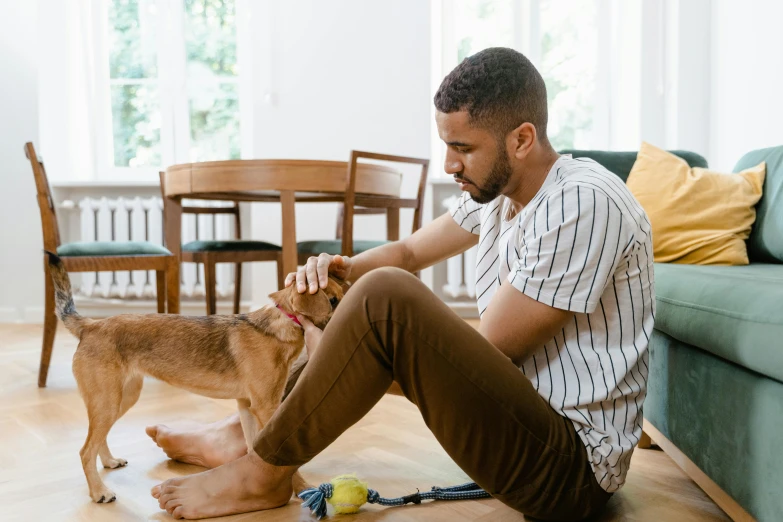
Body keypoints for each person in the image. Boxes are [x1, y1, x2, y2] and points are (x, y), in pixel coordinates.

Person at [148, 47, 652, 521]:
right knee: (374, 288)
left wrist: (342, 332)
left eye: (462, 148)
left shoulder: (583, 203)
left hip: (568, 472)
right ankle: (243, 437)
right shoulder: (502, 196)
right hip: (528, 430)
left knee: (385, 297)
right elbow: (410, 251)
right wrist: (336, 271)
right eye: (446, 146)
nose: (450, 165)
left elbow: (484, 352)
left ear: (522, 139)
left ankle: (260, 474)